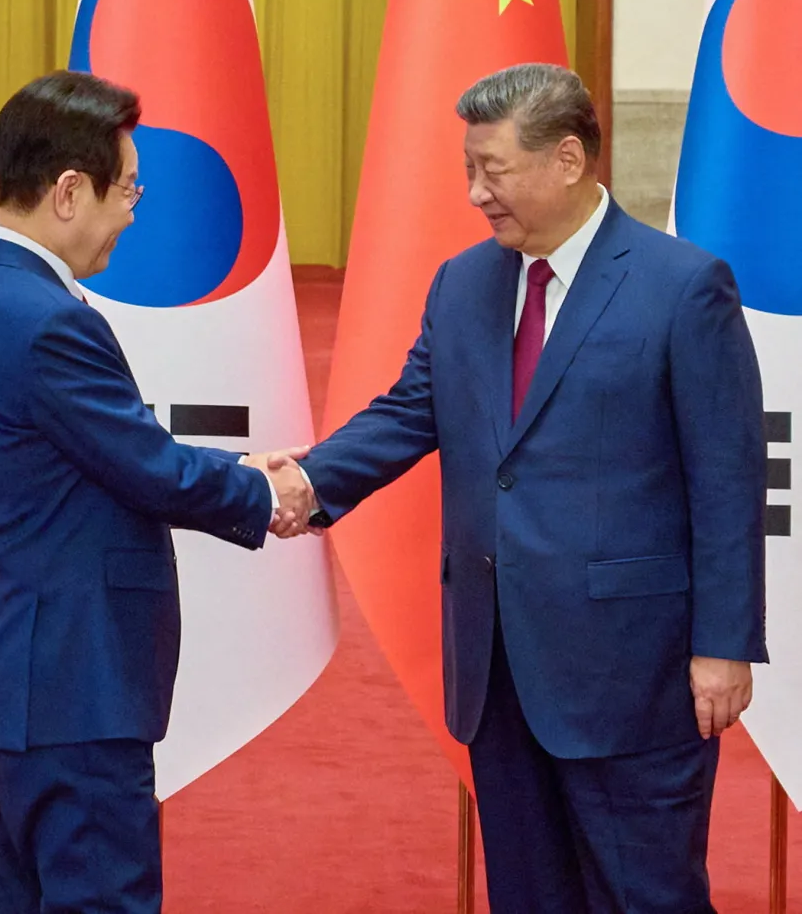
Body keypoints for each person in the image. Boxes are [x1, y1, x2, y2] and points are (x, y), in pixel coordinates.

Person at [271, 63, 768, 912]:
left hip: (632, 675)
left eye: (492, 170)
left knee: (647, 894)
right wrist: (307, 480)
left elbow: (726, 480)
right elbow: (411, 410)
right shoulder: (463, 283)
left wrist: (724, 645)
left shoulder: (683, 287)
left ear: (567, 158)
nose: (475, 193)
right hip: (497, 667)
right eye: (469, 168)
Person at [0, 70, 311, 914]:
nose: (134, 213)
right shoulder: (45, 319)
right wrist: (271, 493)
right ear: (70, 191)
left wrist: (246, 472)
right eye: (129, 189)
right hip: (76, 688)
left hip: (25, 685)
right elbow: (148, 467)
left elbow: (105, 453)